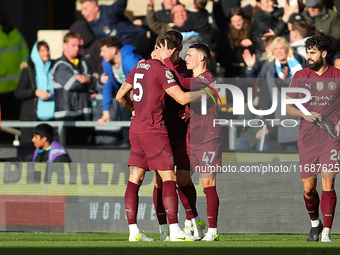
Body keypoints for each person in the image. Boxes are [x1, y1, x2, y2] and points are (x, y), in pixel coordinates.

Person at [115, 35, 208, 241]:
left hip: (162, 130)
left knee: (140, 179)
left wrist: (135, 110)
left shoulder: (143, 67)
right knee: (166, 179)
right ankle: (170, 230)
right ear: (173, 49)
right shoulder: (162, 70)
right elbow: (182, 96)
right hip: (157, 130)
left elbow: (120, 96)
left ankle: (137, 232)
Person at [158, 43, 222, 241]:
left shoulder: (208, 77)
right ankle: (194, 220)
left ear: (202, 58)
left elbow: (182, 85)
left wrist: (167, 62)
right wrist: (186, 113)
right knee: (181, 180)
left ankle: (213, 230)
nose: (186, 58)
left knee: (208, 182)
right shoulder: (196, 79)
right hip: (192, 136)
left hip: (209, 137)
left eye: (190, 55)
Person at [286, 35, 339, 242]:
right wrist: (304, 115)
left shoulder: (337, 75)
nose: (308, 56)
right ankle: (315, 224)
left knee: (328, 182)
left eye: (313, 52)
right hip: (307, 138)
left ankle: (326, 232)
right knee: (309, 190)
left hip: (331, 138)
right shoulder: (300, 76)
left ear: (324, 54)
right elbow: (288, 107)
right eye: (307, 52)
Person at [152, 32, 204, 241]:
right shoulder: (152, 66)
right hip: (159, 131)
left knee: (182, 179)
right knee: (160, 181)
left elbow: (193, 92)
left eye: (168, 49)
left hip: (182, 130)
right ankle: (165, 228)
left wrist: (189, 107)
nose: (164, 53)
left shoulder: (185, 68)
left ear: (177, 49)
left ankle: (193, 219)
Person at [245, 37, 305, 150]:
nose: (279, 51)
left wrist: (288, 79)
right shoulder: (268, 65)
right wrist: (250, 68)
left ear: (287, 49)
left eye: (281, 48)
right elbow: (253, 80)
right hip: (276, 117)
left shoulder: (299, 62)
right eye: (276, 48)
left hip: (297, 115)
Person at [97, 36, 142, 147]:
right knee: (125, 117)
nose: (101, 54)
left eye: (103, 50)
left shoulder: (129, 59)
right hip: (126, 94)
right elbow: (107, 86)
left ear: (114, 50)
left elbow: (140, 82)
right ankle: (127, 143)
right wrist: (105, 111)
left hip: (140, 95)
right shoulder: (106, 63)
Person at [52, 32, 96, 145]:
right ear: (65, 45)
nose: (77, 48)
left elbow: (94, 85)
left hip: (84, 115)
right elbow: (72, 85)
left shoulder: (84, 63)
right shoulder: (60, 65)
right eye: (73, 45)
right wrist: (88, 80)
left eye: (79, 46)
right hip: (66, 117)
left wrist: (88, 80)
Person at [15, 41, 55, 144]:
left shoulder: (54, 67)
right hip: (32, 117)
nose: (46, 53)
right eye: (42, 51)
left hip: (51, 117)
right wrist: (35, 92)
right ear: (36, 53)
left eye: (47, 50)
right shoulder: (29, 70)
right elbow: (19, 92)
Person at [79, 0, 150, 57]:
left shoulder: (109, 12)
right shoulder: (92, 25)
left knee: (127, 58)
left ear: (96, 8)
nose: (82, 12)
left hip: (136, 38)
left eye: (85, 8)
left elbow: (120, 4)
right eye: (82, 9)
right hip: (121, 48)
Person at [0, 7, 29, 121]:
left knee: (15, 112)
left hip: (17, 81)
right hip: (3, 83)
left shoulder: (14, 31)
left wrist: (23, 63)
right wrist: (3, 70)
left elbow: (24, 48)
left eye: (3, 14)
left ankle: (14, 137)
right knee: (4, 113)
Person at [0, 123, 71, 163]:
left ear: (44, 139)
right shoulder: (38, 152)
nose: (32, 140)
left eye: (35, 137)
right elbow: (21, 160)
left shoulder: (60, 157)